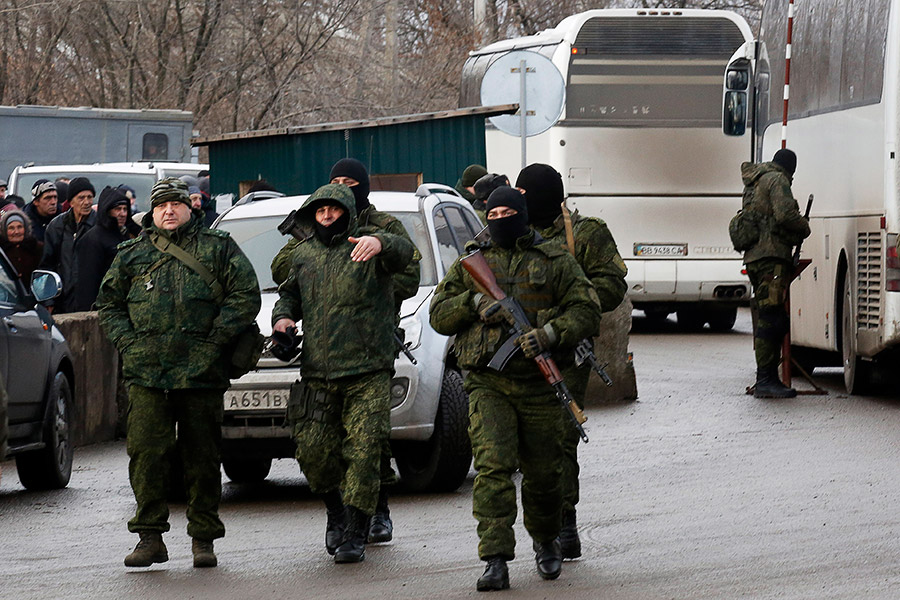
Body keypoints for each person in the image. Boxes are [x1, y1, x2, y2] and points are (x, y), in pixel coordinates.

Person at [429, 187, 602, 591]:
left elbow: (587, 307)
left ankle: (545, 540)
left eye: (509, 212)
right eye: (494, 212)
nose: (501, 219)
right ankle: (495, 558)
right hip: (488, 384)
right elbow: (439, 314)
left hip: (539, 387)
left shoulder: (554, 259)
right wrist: (473, 305)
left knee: (544, 474)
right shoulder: (472, 261)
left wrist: (550, 333)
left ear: (523, 214)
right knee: (493, 468)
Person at [97, 178, 260, 569]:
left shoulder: (218, 249)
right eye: (160, 207)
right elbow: (108, 305)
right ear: (151, 214)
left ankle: (203, 538)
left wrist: (215, 342)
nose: (168, 212)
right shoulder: (132, 255)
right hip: (147, 374)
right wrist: (129, 344)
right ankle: (149, 537)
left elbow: (246, 295)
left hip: (200, 373)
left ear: (191, 208)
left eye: (175, 204)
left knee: (202, 457)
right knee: (147, 455)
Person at [271, 157, 421, 544]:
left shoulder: (380, 228)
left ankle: (366, 520)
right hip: (320, 365)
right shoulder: (306, 247)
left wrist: (375, 264)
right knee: (317, 448)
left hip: (368, 354)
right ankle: (339, 513)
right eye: (334, 182)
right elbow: (286, 281)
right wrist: (283, 320)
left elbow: (408, 267)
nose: (327, 213)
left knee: (369, 445)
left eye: (348, 184)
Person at [515, 163, 628, 559]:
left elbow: (612, 286)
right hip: (517, 353)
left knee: (561, 439)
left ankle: (564, 524)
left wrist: (567, 306)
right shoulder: (512, 231)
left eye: (528, 194)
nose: (522, 202)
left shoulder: (586, 233)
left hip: (567, 353)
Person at [740, 148, 810, 398]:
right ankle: (766, 380)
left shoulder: (755, 180)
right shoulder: (777, 180)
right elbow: (784, 215)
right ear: (790, 168)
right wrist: (804, 226)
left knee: (770, 315)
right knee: (773, 318)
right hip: (771, 257)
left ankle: (767, 378)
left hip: (756, 257)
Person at [72, 187, 139, 312]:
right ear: (107, 211)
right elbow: (87, 282)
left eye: (125, 209)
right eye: (117, 209)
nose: (122, 213)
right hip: (102, 308)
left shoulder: (124, 234)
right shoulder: (93, 239)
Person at [39, 177, 96, 313]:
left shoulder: (99, 225)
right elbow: (47, 265)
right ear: (70, 202)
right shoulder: (56, 226)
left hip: (91, 300)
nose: (86, 202)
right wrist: (48, 299)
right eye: (81, 198)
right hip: (62, 300)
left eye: (90, 197)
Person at [0, 209, 43, 283]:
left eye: (20, 227)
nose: (16, 232)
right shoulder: (1, 251)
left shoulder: (37, 248)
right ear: (4, 230)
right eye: (11, 228)